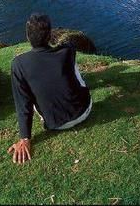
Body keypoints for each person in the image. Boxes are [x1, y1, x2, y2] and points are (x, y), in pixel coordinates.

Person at [8, 14, 92, 164]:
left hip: (56, 124)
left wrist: (25, 137)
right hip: (84, 110)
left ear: (28, 36)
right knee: (73, 70)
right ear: (50, 35)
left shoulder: (18, 64)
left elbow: (23, 105)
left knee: (30, 90)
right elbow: (67, 45)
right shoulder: (68, 51)